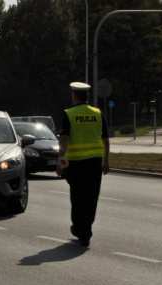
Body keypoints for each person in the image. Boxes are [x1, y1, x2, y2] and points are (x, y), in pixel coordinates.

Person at [57, 82, 110, 247]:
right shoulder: (97, 113)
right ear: (86, 96)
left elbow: (64, 140)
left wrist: (60, 162)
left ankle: (81, 229)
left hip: (76, 164)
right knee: (92, 197)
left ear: (74, 95)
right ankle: (85, 230)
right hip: (95, 163)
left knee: (78, 198)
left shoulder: (69, 114)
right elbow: (105, 139)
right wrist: (106, 161)